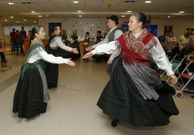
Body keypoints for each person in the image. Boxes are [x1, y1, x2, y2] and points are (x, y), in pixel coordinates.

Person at [83, 12, 179, 127]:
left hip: (142, 72)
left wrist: (171, 73)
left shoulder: (151, 39)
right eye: (129, 21)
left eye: (131, 21)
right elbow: (112, 45)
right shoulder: (125, 37)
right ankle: (117, 115)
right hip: (123, 69)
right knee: (120, 92)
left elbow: (160, 56)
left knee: (140, 95)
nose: (128, 23)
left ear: (140, 23)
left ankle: (141, 118)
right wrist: (93, 51)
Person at [13, 26, 75, 119]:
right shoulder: (37, 45)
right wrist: (65, 61)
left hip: (32, 68)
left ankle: (30, 108)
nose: (44, 33)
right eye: (42, 31)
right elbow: (48, 57)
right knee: (37, 89)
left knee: (35, 89)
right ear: (36, 34)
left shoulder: (36, 41)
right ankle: (31, 110)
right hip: (33, 70)